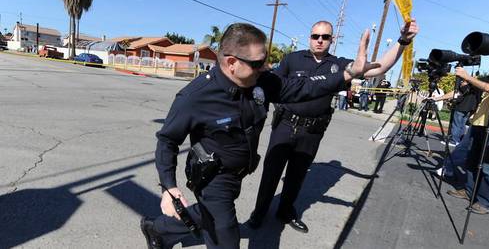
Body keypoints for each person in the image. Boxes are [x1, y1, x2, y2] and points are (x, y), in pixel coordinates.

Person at [140, 22, 378, 249]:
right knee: (226, 236)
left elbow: (303, 88)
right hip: (213, 179)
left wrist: (349, 74)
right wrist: (169, 188)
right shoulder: (195, 96)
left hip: (239, 172)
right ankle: (163, 229)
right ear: (232, 62)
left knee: (207, 215)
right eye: (258, 62)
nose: (265, 66)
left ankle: (158, 229)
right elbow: (167, 140)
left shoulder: (261, 81)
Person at [247, 19, 419, 233]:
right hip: (284, 125)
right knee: (271, 173)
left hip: (311, 131)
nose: (319, 41)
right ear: (310, 37)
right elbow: (275, 86)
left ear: (332, 39)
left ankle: (285, 211)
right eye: (315, 36)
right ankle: (259, 212)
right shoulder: (292, 58)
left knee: (297, 176)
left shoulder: (339, 64)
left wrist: (402, 41)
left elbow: (379, 67)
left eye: (325, 37)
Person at [447, 56, 489, 215]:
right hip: (480, 122)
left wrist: (468, 77)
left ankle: (485, 202)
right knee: (472, 160)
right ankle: (469, 191)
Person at [432, 78, 482, 179]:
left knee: (457, 125)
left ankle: (454, 140)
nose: (461, 82)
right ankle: (456, 142)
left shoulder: (467, 86)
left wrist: (437, 98)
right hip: (470, 110)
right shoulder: (476, 87)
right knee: (461, 126)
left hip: (462, 108)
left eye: (463, 81)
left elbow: (455, 93)